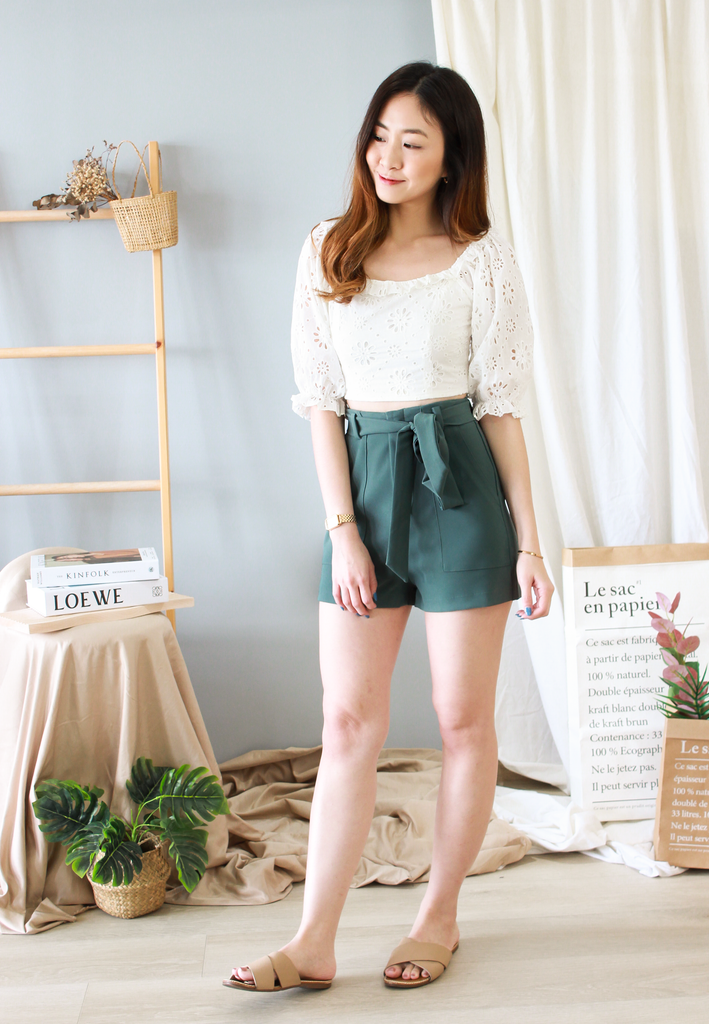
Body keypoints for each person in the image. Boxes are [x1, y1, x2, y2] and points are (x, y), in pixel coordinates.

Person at [224, 61, 553, 996]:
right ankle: (313, 943)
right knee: (348, 720)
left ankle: (437, 918)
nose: (388, 157)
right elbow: (321, 404)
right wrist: (343, 530)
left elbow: (501, 408)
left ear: (453, 158)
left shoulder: (480, 259)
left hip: (460, 488)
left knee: (462, 719)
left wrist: (531, 541)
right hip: (364, 489)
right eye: (379, 136)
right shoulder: (327, 250)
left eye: (413, 142)